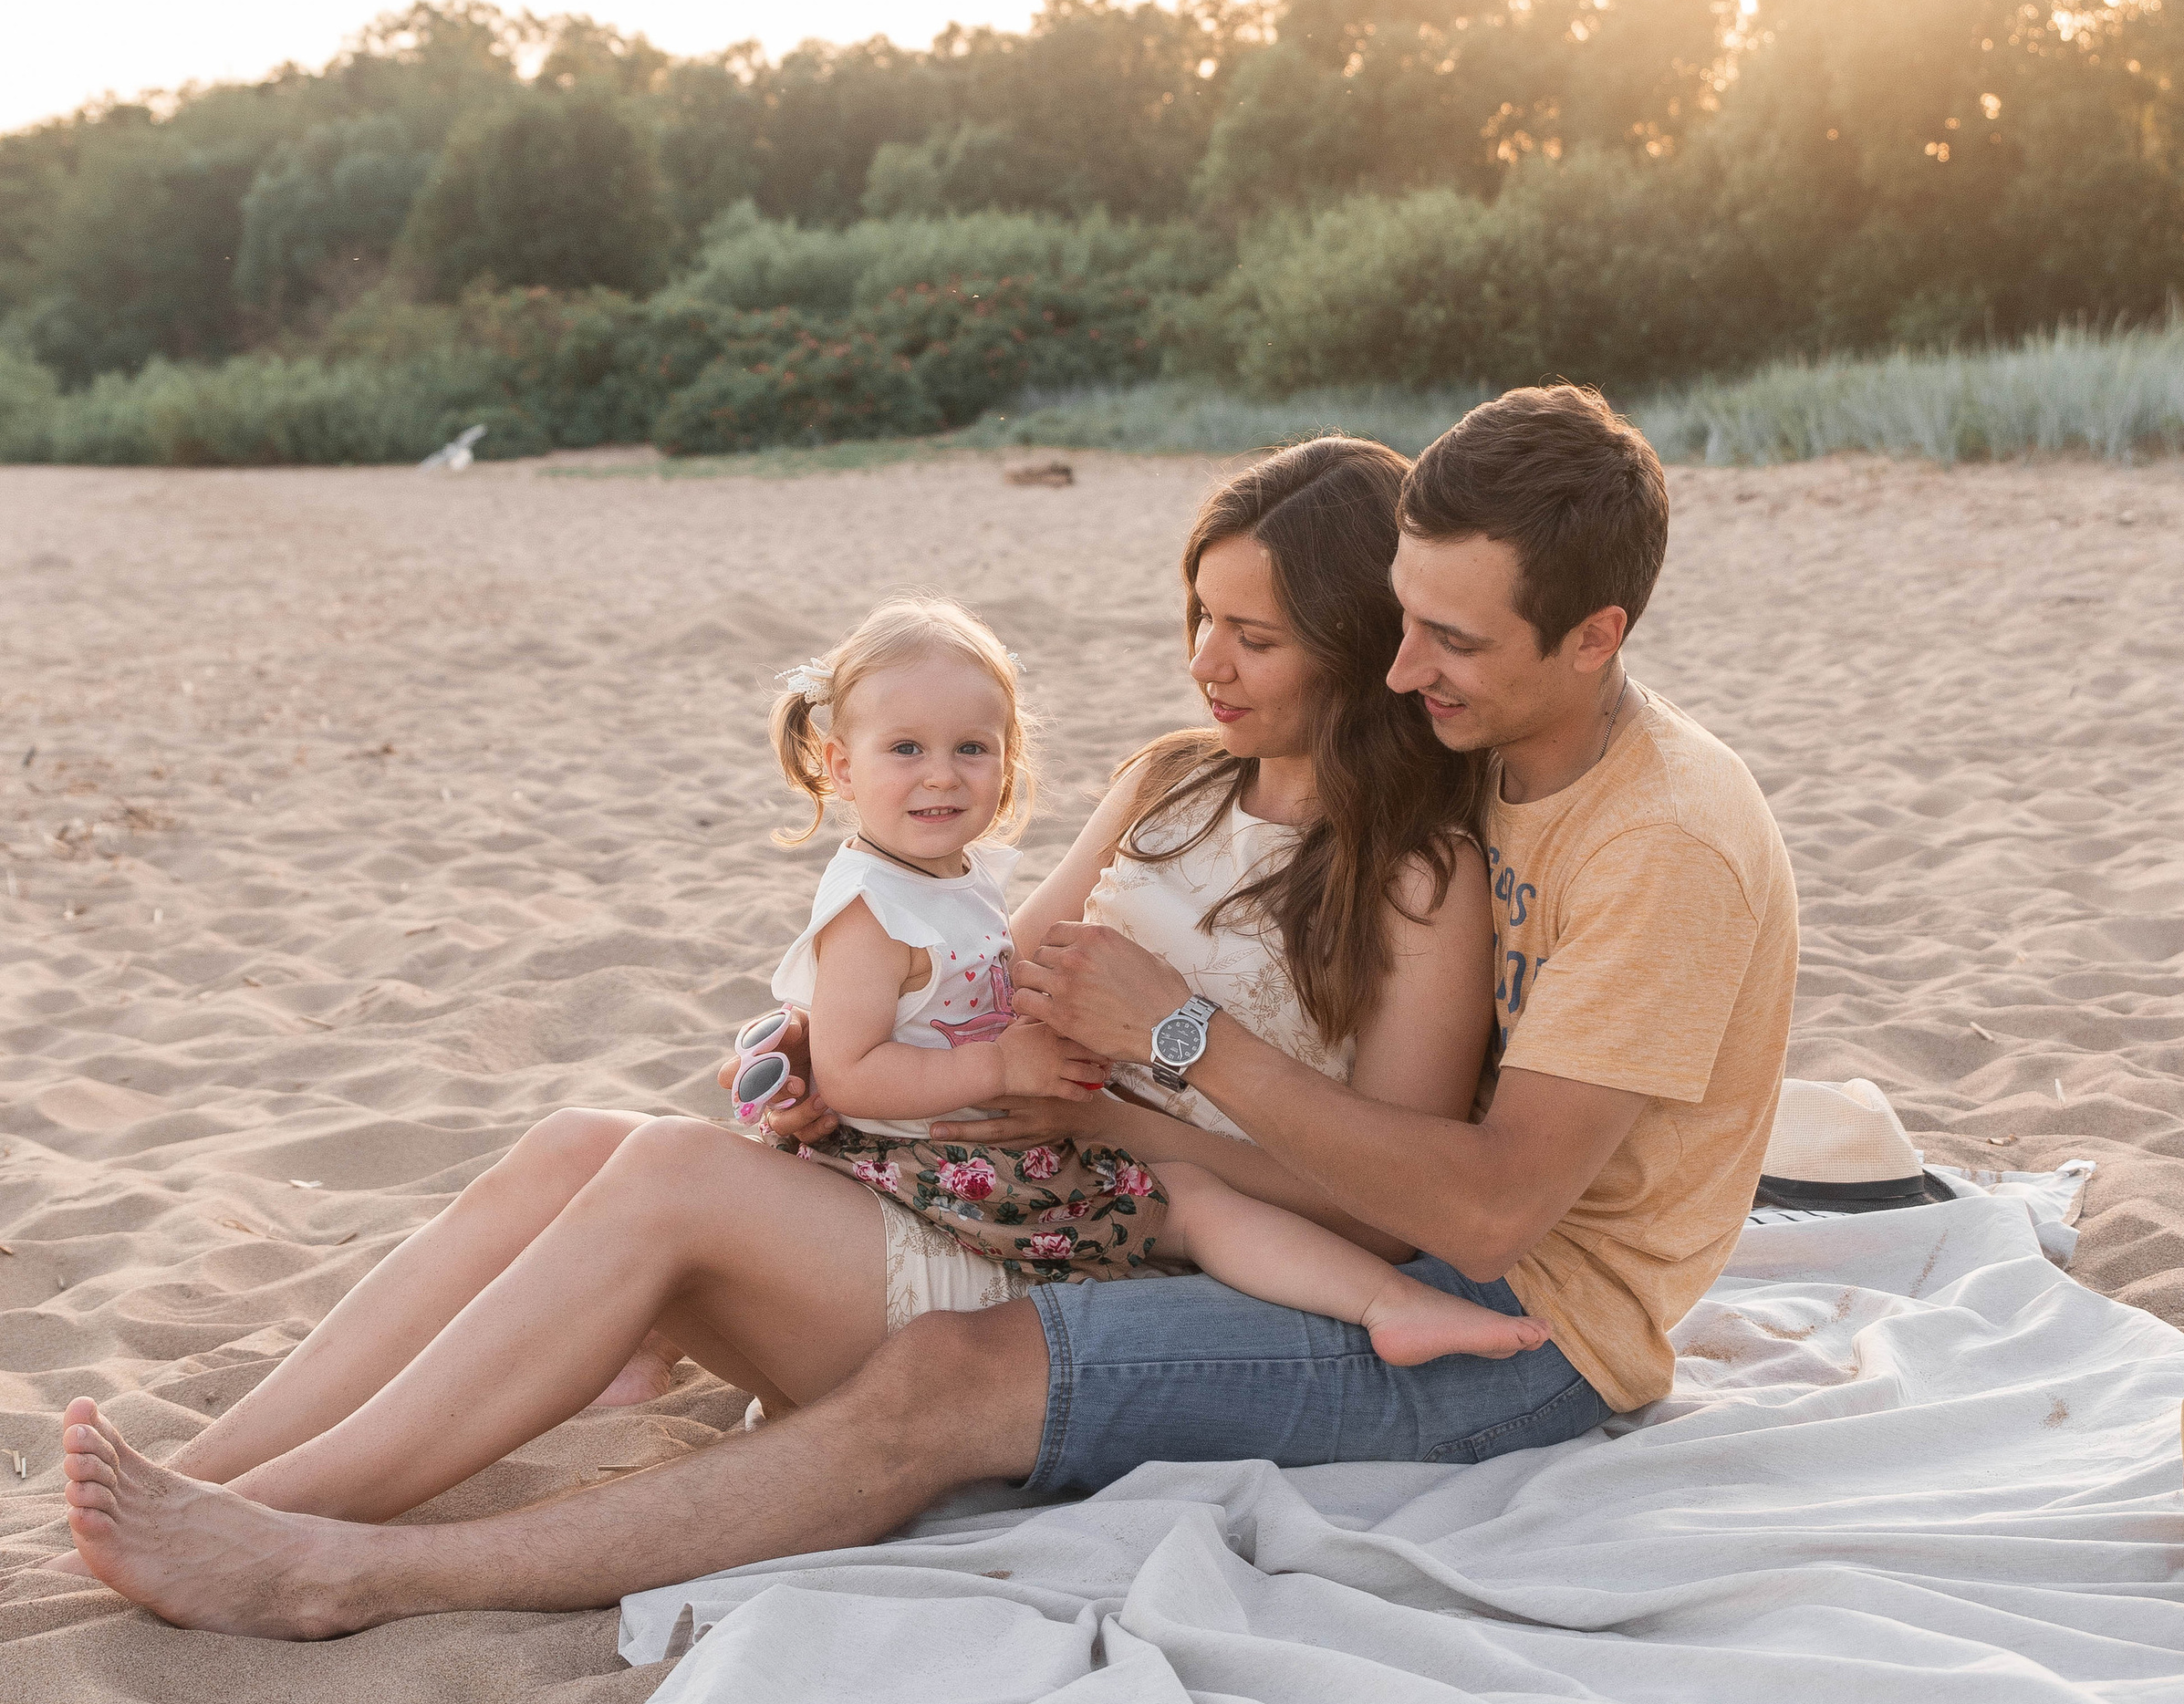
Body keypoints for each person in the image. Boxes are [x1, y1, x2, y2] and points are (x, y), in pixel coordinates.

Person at [59, 385, 1800, 1637]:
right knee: (590, 1143)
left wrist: (1140, 1071)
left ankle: (318, 1554)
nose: (1416, 675)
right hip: (1046, 1180)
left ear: (1589, 638)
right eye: (1406, 627)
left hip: (1454, 1299)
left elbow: (1450, 1207)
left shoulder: (1615, 847)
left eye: (1441, 645)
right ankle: (216, 1472)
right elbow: (985, 963)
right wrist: (845, 1061)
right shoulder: (1262, 770)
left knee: (690, 1201)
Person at [728, 590, 1541, 1362]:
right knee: (647, 1159)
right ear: (841, 767)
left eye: (1254, 636)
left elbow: (1394, 1207)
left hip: (1090, 1189)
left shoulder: (1419, 879)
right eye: (1204, 616)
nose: (1204, 661)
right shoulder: (1168, 780)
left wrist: (1118, 1110)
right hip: (979, 1159)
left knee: (673, 1177)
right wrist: (819, 1045)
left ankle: (1391, 1306)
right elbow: (981, 987)